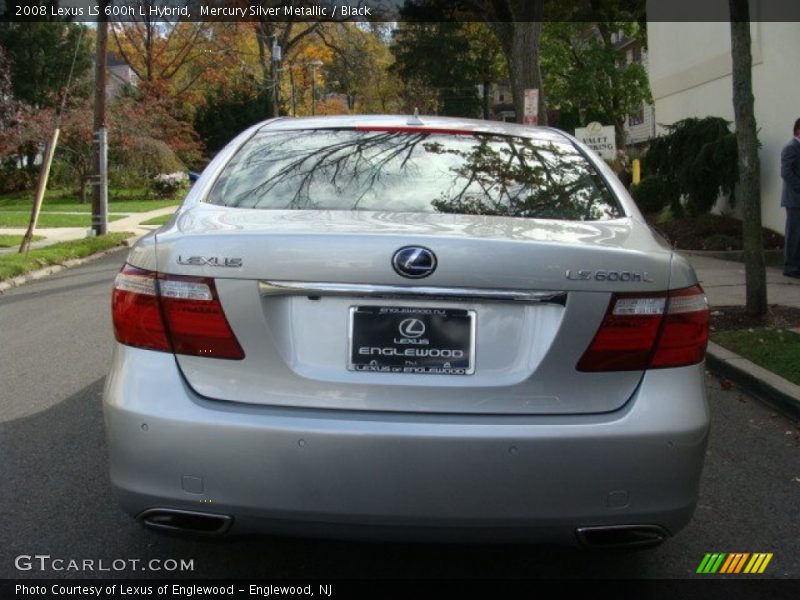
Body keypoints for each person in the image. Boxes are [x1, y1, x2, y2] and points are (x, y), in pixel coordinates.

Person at [781, 118, 800, 278]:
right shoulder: (791, 148)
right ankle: (791, 267)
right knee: (794, 234)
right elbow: (786, 172)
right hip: (795, 200)